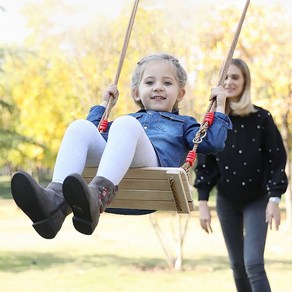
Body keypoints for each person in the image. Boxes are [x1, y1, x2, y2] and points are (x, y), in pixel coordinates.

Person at [11, 53, 232, 240]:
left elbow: (211, 142)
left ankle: (98, 195)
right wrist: (103, 105)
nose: (158, 88)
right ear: (136, 92)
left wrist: (219, 106)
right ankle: (54, 203)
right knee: (79, 127)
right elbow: (90, 139)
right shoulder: (120, 126)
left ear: (180, 93)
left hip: (154, 173)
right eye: (149, 82)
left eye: (167, 83)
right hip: (116, 176)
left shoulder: (184, 124)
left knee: (127, 124)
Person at [194, 58, 288, 292]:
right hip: (227, 202)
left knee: (253, 264)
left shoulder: (261, 119)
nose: (229, 82)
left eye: (235, 77)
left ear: (245, 81)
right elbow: (206, 165)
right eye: (225, 77)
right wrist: (203, 203)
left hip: (257, 199)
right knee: (237, 265)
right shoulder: (213, 123)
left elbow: (277, 160)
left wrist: (274, 199)